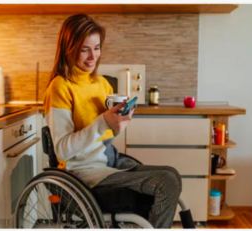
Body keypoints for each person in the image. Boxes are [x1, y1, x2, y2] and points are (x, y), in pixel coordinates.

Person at [44, 14, 181, 228]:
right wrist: (104, 122)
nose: (93, 57)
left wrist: (118, 124)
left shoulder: (102, 84)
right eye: (84, 49)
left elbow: (105, 133)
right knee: (167, 182)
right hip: (83, 170)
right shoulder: (60, 87)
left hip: (109, 161)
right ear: (68, 48)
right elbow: (62, 151)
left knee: (171, 174)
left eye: (96, 48)